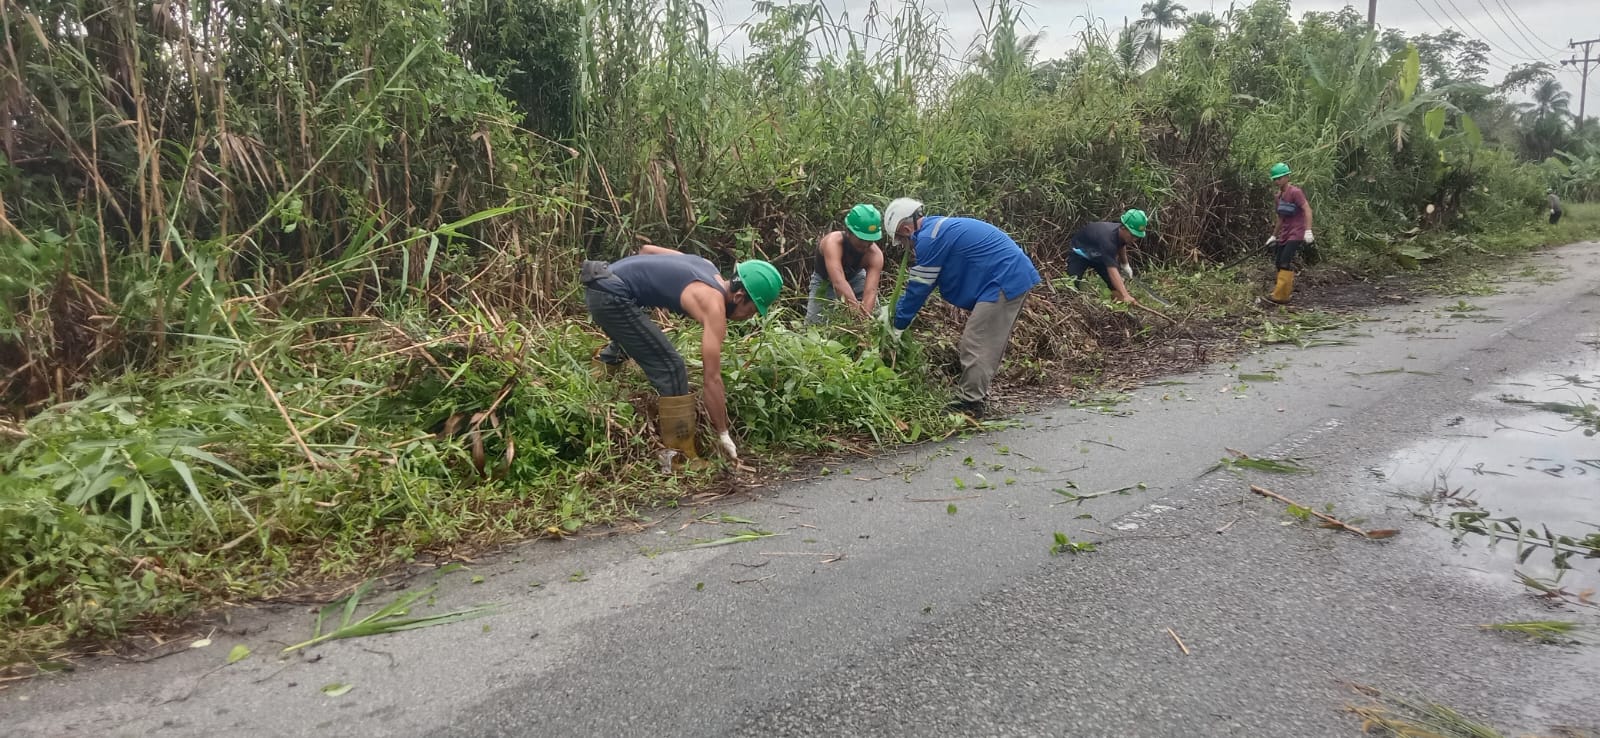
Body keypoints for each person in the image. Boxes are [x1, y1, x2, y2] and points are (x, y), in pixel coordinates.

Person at [582, 246, 782, 467]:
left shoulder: (707, 266)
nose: (748, 318)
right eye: (752, 310)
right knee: (672, 367)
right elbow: (712, 379)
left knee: (638, 340)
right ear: (739, 296)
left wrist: (652, 286)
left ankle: (593, 385)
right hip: (611, 295)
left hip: (602, 279)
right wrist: (723, 433)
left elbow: (647, 251)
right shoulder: (714, 305)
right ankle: (679, 456)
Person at [883, 198, 1041, 420]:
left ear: (906, 229)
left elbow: (919, 288)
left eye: (902, 240)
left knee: (976, 341)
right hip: (1007, 275)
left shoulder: (929, 239)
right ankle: (976, 394)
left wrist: (897, 323)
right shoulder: (937, 229)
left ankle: (969, 403)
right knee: (986, 342)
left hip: (1003, 279)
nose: (906, 247)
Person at [805, 203, 886, 324]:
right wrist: (855, 310)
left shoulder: (875, 255)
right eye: (862, 239)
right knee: (814, 324)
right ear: (849, 232)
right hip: (825, 281)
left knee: (874, 317)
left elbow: (871, 291)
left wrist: (864, 318)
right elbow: (838, 282)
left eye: (870, 241)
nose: (865, 245)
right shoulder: (832, 243)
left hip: (856, 278)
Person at [1066, 209, 1150, 305]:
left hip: (1099, 255)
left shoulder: (1122, 235)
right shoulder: (1108, 239)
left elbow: (1121, 245)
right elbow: (1112, 269)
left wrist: (1125, 265)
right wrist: (1125, 295)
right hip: (1081, 252)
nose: (1134, 239)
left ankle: (1118, 310)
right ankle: (1071, 305)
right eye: (1132, 235)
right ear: (1123, 227)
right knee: (1071, 284)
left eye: (1137, 236)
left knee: (1116, 287)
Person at [1263, 162, 1314, 304]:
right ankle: (1284, 294)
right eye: (1275, 179)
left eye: (1279, 178)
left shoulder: (1295, 192)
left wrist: (1308, 230)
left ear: (1287, 177)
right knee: (1279, 263)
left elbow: (1307, 210)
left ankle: (1280, 296)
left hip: (1296, 233)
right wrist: (1273, 235)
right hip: (1284, 234)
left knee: (1285, 261)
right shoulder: (1278, 196)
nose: (1277, 181)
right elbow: (1280, 217)